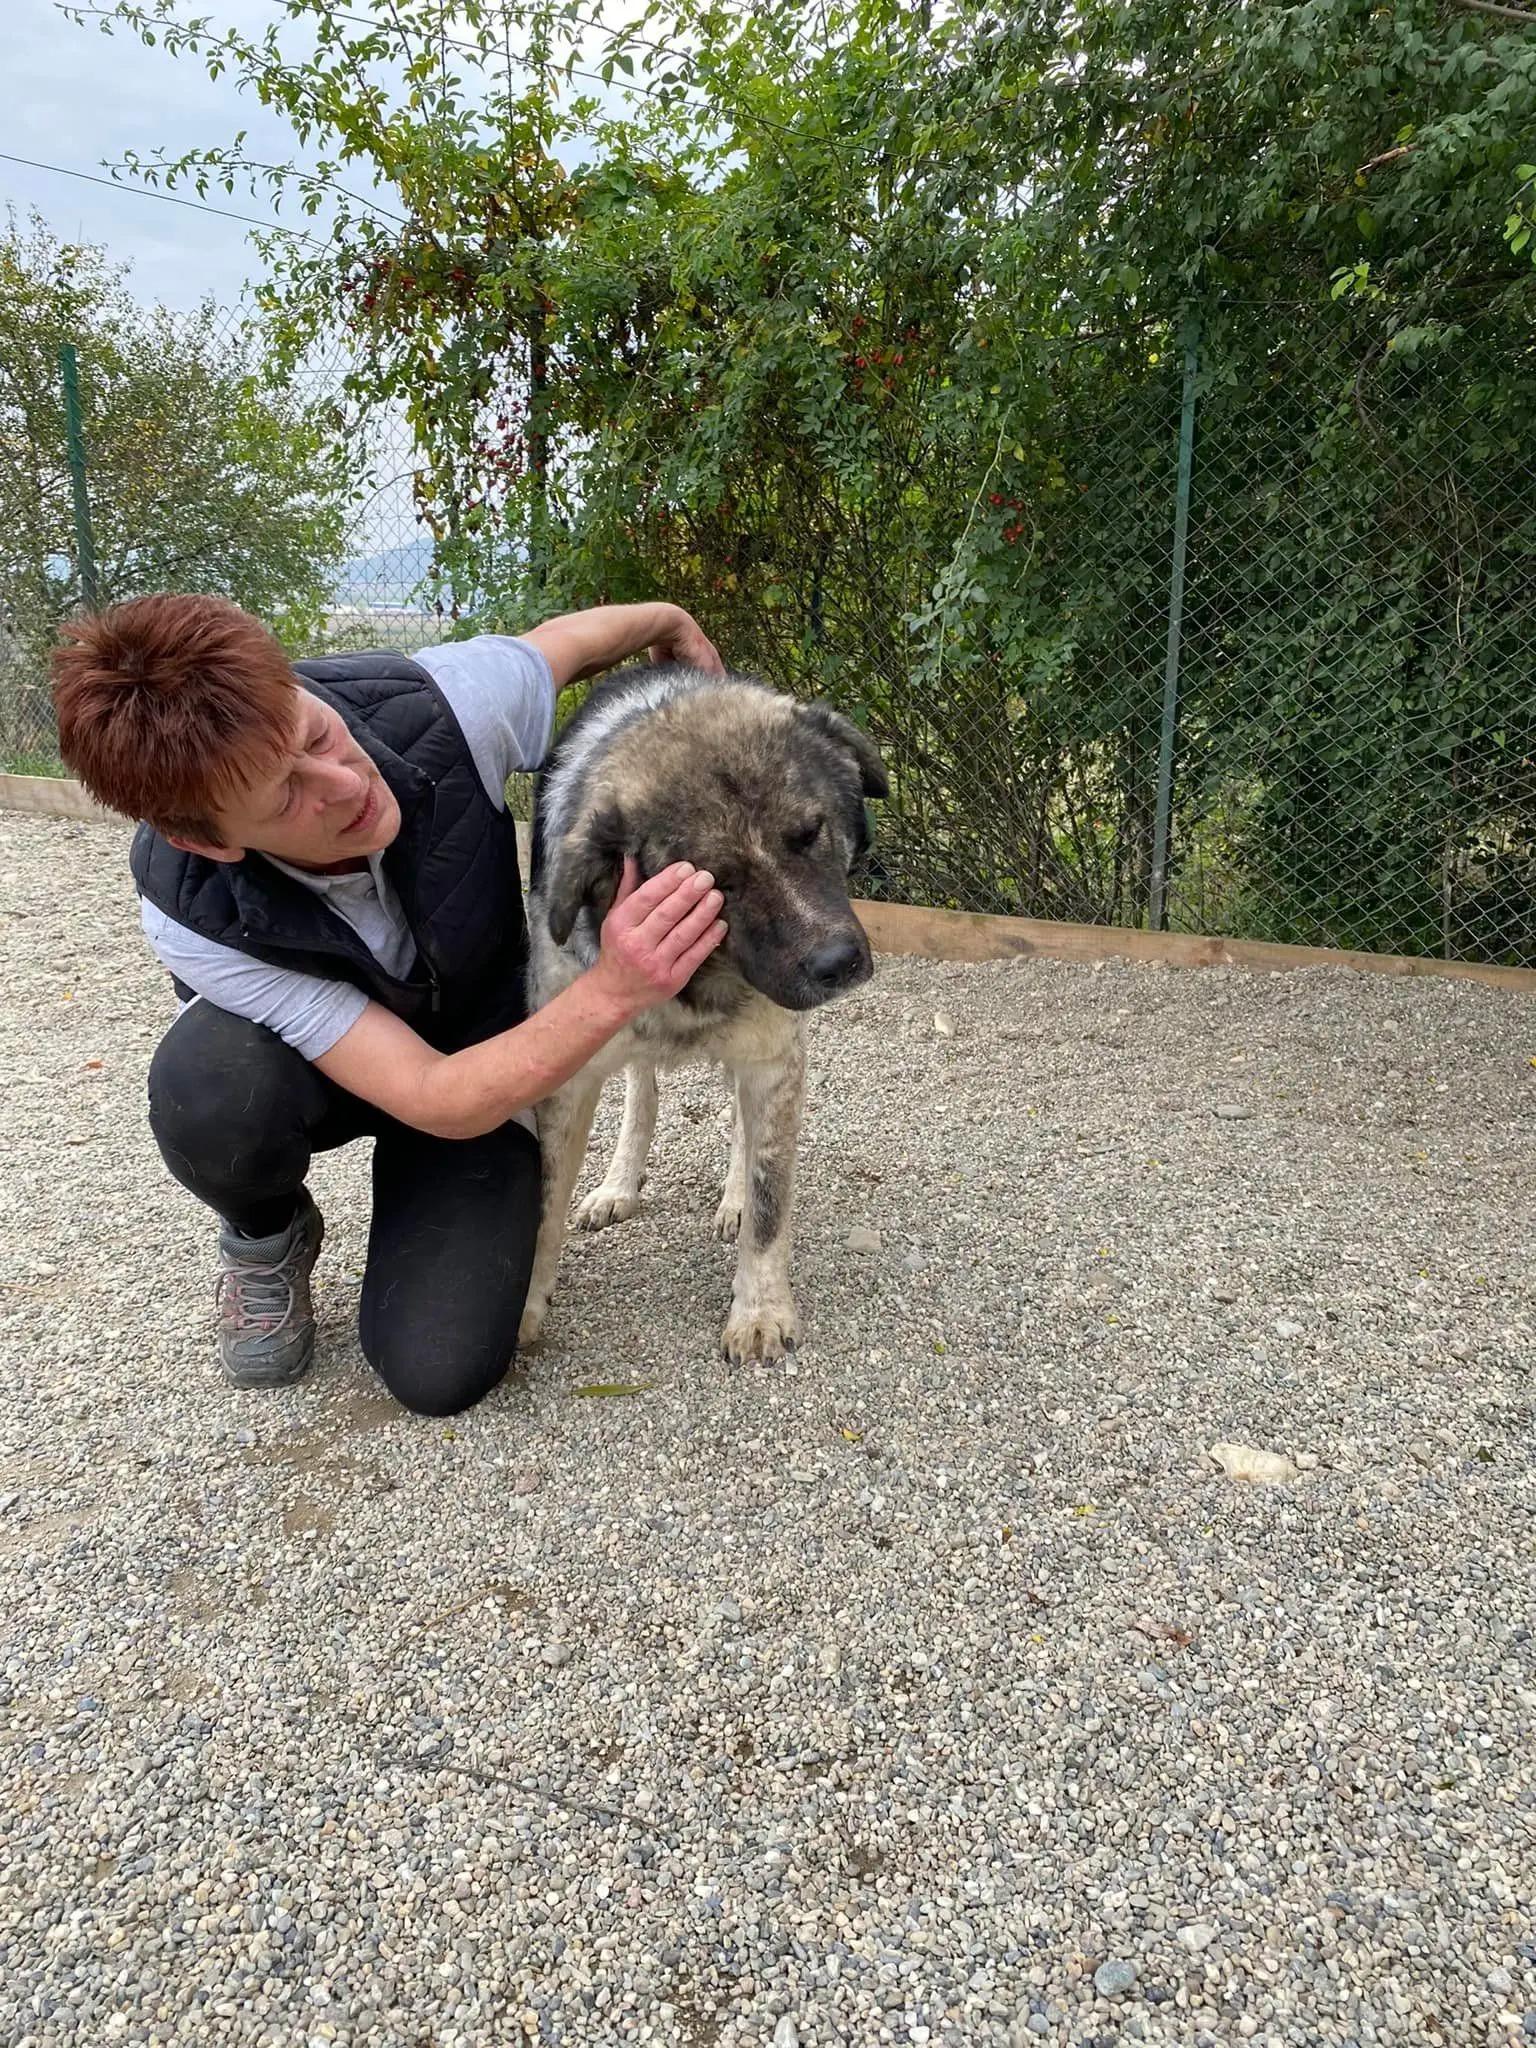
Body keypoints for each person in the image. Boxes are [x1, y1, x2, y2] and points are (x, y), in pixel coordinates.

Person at [50, 593, 729, 1415]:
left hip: (481, 1045)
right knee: (210, 1085)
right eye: (285, 798)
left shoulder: (446, 703)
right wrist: (617, 987)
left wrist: (669, 623)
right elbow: (433, 1096)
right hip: (353, 1078)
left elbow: (566, 644)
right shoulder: (186, 909)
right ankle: (267, 1233)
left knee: (440, 1370)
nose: (346, 784)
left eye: (315, 735)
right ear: (208, 840)